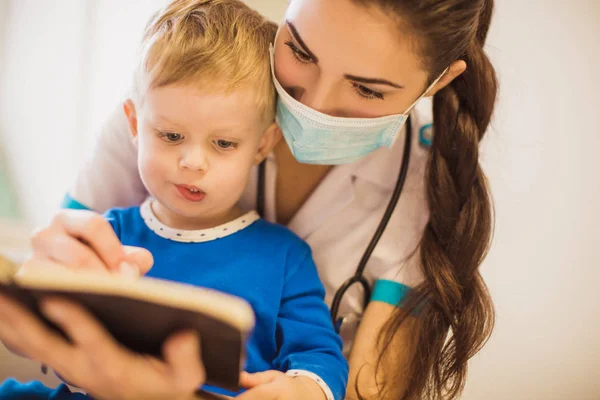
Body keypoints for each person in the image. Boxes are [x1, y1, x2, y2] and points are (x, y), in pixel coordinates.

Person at [0, 0, 498, 398]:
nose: (311, 105)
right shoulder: (175, 95)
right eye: (301, 51)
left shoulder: (429, 181)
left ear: (437, 82)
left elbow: (368, 385)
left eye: (366, 90)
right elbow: (46, 306)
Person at [0, 1, 349, 399]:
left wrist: (303, 389)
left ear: (262, 145)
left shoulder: (285, 257)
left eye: (223, 143)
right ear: (134, 124)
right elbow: (51, 339)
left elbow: (322, 357)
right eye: (170, 136)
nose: (193, 162)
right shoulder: (104, 236)